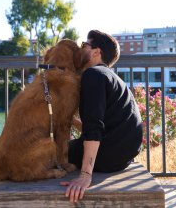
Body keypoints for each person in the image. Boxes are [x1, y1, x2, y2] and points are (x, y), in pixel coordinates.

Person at [60, 30, 143, 202]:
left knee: (50, 151)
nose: (80, 49)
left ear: (96, 52)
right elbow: (106, 126)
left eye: (84, 45)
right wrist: (71, 121)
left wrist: (85, 175)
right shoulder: (111, 77)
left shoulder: (93, 75)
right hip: (121, 158)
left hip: (107, 156)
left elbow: (94, 127)